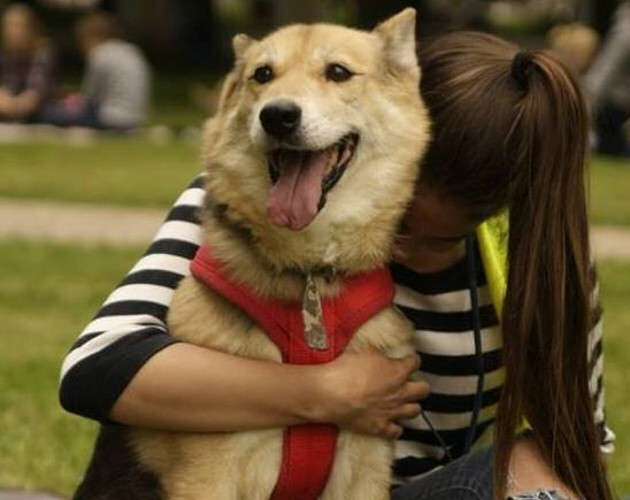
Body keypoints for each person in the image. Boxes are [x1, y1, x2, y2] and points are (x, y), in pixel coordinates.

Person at [59, 31, 614, 499]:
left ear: (495, 211)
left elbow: (578, 449)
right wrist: (327, 392)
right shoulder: (269, 198)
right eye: (390, 215)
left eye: (434, 238)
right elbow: (97, 367)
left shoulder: (544, 259)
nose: (393, 248)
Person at [43, 11, 150, 130]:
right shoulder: (131, 50)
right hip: (136, 119)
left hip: (110, 119)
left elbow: (90, 97)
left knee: (49, 113)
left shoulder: (99, 54)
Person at [584, 1, 630, 157]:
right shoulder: (626, 30)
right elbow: (606, 69)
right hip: (613, 107)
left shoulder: (625, 29)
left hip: (615, 106)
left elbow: (606, 69)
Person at [0, 3, 57, 122]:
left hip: (40, 108)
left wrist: (16, 107)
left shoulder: (43, 52)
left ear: (31, 29)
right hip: (10, 105)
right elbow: (5, 86)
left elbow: (36, 91)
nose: (14, 31)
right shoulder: (5, 53)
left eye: (19, 26)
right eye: (10, 26)